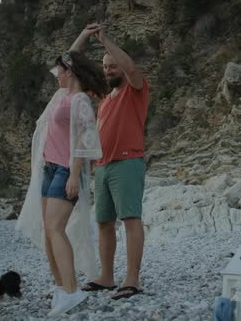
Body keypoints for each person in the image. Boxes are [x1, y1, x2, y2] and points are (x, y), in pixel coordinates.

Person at [16, 49, 107, 316]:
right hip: (49, 168)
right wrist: (79, 39)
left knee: (56, 229)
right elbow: (69, 54)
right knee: (49, 232)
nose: (56, 76)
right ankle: (60, 287)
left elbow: (83, 140)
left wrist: (72, 174)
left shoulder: (79, 100)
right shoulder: (62, 96)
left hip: (65, 170)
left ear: (71, 72)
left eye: (60, 71)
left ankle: (71, 290)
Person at [74, 23, 149, 300]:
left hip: (128, 162)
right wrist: (83, 37)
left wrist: (105, 40)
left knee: (130, 219)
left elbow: (130, 68)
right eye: (105, 66)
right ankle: (106, 277)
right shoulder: (105, 98)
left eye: (112, 65)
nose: (108, 70)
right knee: (104, 223)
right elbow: (71, 67)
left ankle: (132, 279)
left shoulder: (136, 88)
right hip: (103, 166)